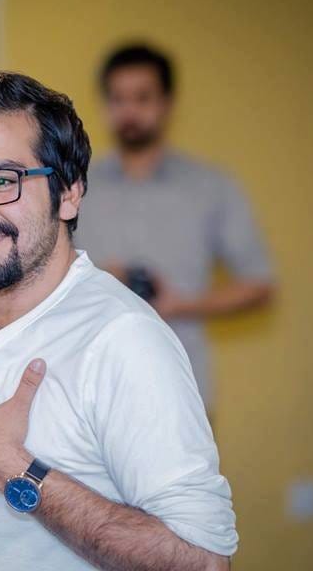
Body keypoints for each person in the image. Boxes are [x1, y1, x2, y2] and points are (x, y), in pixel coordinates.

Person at [0, 69, 237, 571]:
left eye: (0, 181)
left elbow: (205, 562)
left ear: (69, 193)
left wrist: (13, 467)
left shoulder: (123, 339)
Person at [79, 43, 275, 411]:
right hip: (89, 391)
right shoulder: (75, 188)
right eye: (118, 99)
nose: (129, 111)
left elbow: (259, 285)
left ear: (167, 103)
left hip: (182, 390)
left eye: (142, 97)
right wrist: (98, 280)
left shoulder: (210, 187)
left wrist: (183, 303)